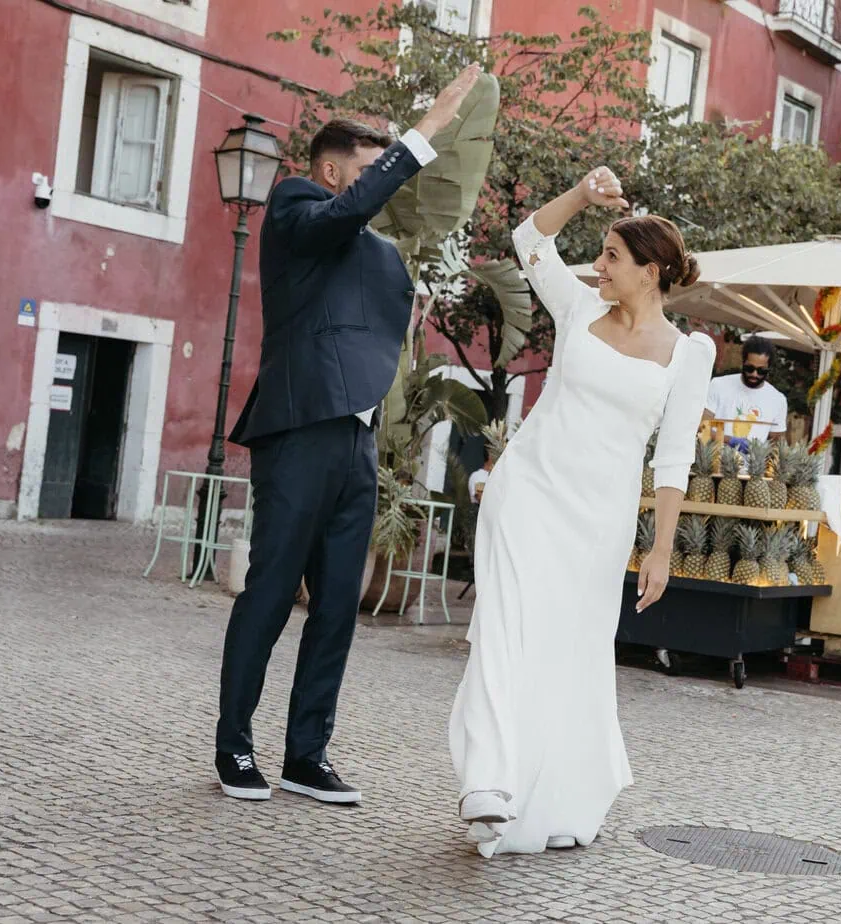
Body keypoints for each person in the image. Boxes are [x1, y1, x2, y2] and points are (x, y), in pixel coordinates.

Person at [213, 65, 484, 803]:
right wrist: (427, 130)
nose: (376, 187)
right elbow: (347, 214)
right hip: (298, 429)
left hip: (357, 441)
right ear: (332, 172)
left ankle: (307, 755)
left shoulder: (376, 250)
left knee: (338, 605)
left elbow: (385, 307)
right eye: (367, 171)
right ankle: (234, 747)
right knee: (272, 592)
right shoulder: (294, 206)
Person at [448, 166, 715, 855]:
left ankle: (553, 797)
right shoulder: (577, 308)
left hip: (598, 521)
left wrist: (660, 549)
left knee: (570, 652)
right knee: (504, 630)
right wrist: (583, 197)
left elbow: (674, 459)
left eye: (611, 257)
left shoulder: (689, 355)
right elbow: (529, 241)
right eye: (599, 252)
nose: (597, 265)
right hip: (528, 493)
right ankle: (488, 781)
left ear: (650, 273)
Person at [703, 335, 787, 449]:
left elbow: (776, 444)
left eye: (761, 371)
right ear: (742, 363)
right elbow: (702, 428)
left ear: (769, 369)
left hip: (752, 460)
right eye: (749, 368)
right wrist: (730, 440)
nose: (754, 374)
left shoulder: (778, 400)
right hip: (715, 457)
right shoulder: (719, 385)